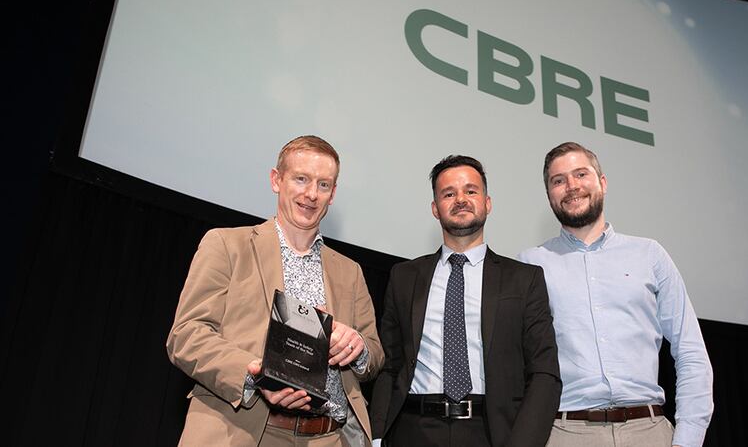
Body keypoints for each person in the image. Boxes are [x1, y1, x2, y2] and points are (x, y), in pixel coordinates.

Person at [166, 135, 384, 446]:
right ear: (276, 180)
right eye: (301, 179)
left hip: (330, 437)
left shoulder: (350, 272)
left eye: (323, 185)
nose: (311, 194)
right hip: (245, 431)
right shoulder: (227, 245)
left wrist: (358, 348)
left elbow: (375, 354)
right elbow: (186, 335)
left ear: (333, 194)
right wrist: (253, 375)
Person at [518, 142, 713, 447]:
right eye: (559, 180)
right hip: (566, 434)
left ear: (603, 182)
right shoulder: (531, 264)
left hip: (650, 431)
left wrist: (688, 439)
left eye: (581, 174)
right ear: (549, 195)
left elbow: (690, 352)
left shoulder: (650, 255)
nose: (571, 186)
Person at [370, 155, 562, 447]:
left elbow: (544, 373)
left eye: (471, 191)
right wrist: (377, 436)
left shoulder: (525, 279)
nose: (460, 199)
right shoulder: (404, 276)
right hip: (412, 430)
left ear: (487, 203)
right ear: (436, 209)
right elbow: (390, 365)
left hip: (491, 433)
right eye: (449, 193)